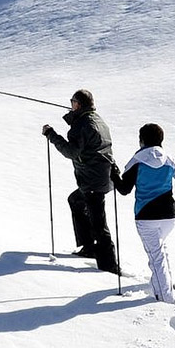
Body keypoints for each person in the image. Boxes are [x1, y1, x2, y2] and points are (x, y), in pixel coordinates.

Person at [111, 123, 175, 303]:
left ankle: (165, 297)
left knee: (156, 257)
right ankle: (162, 285)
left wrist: (114, 173)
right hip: (169, 217)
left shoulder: (136, 161)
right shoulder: (170, 160)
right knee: (160, 251)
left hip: (146, 216)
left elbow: (124, 189)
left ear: (141, 140)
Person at [42, 89, 118, 274]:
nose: (70, 104)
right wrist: (73, 117)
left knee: (99, 222)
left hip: (92, 180)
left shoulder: (82, 124)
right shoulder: (97, 119)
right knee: (76, 200)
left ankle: (109, 266)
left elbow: (71, 151)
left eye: (72, 102)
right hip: (103, 175)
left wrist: (51, 135)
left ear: (78, 104)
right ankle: (89, 247)